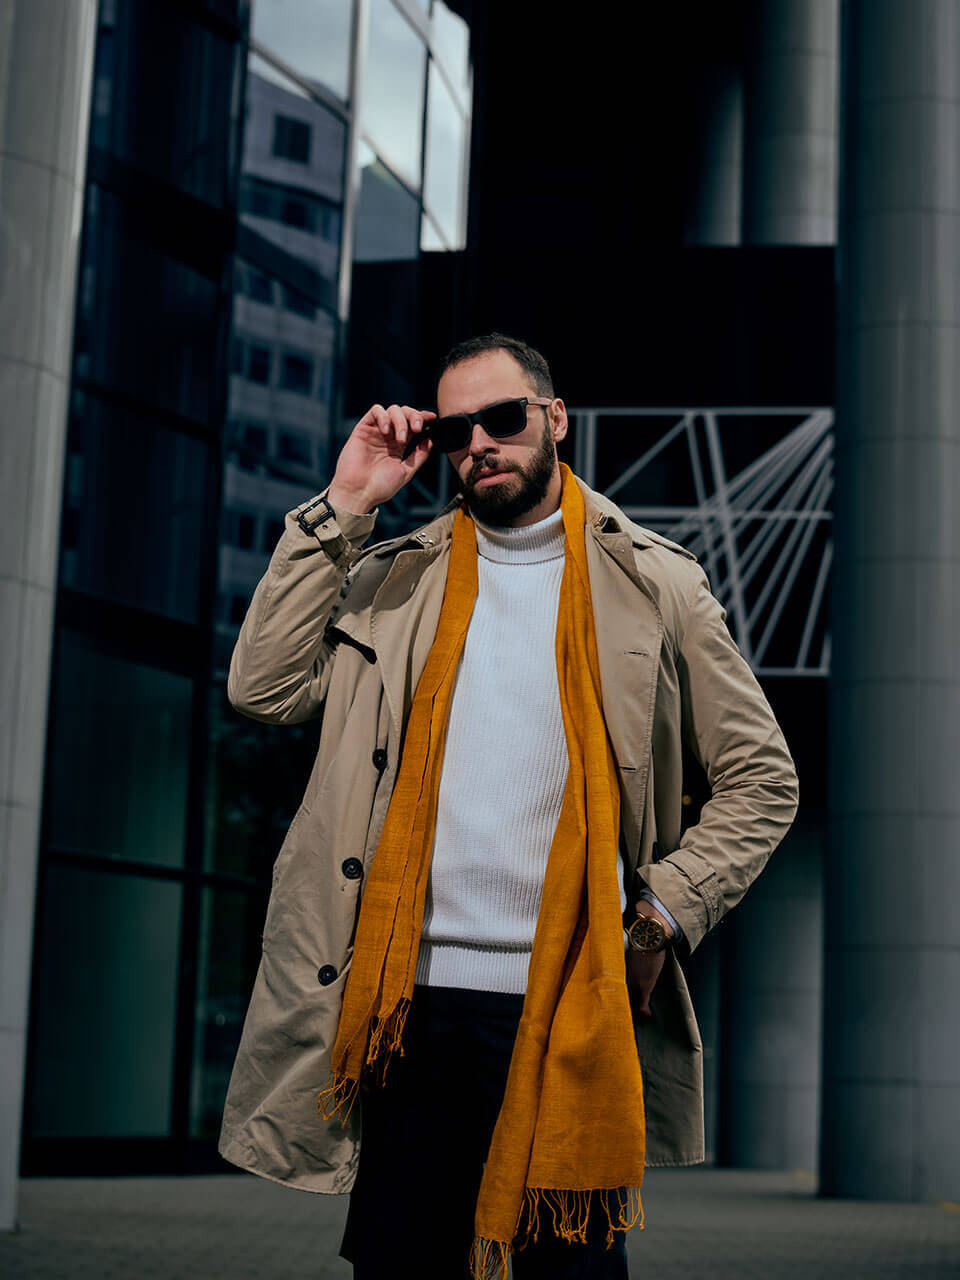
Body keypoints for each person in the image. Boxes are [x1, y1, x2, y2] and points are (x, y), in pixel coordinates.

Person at [217, 333, 800, 1280]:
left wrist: (657, 917)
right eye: (456, 428)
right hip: (409, 1011)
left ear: (554, 419)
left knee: (568, 1271)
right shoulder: (396, 575)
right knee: (402, 1267)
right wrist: (346, 506)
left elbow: (763, 779)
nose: (481, 442)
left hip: (567, 1001)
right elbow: (263, 690)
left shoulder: (658, 583)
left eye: (504, 417)